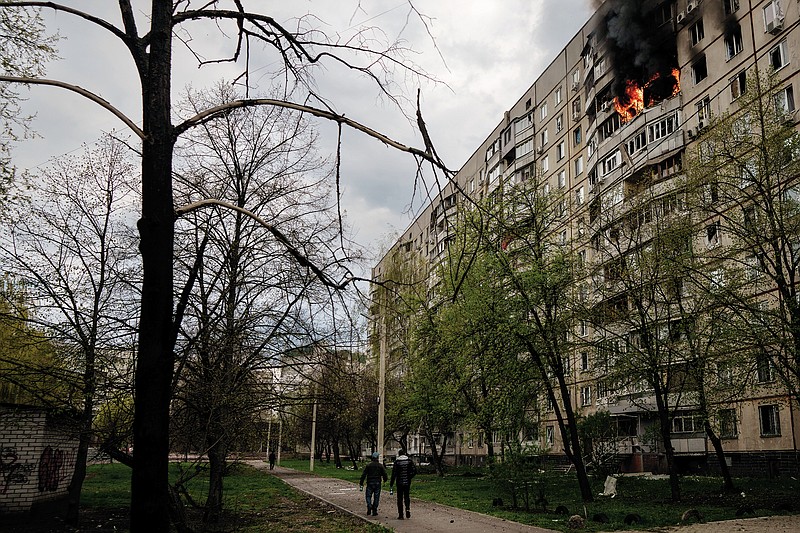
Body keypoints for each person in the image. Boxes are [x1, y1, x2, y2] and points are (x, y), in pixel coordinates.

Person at [389, 448, 416, 520]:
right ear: (404, 454)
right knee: (407, 496)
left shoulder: (397, 462)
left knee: (399, 498)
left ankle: (401, 515)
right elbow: (414, 471)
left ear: (399, 454)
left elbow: (394, 474)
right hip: (407, 482)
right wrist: (409, 477)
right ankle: (407, 509)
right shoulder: (409, 461)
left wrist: (391, 483)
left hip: (399, 483)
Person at [359, 452, 387, 516]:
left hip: (370, 482)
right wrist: (385, 480)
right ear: (377, 458)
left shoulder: (368, 465)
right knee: (376, 497)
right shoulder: (380, 466)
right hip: (377, 483)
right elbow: (384, 474)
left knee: (368, 496)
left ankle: (369, 505)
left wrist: (361, 482)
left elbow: (364, 474)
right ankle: (374, 510)